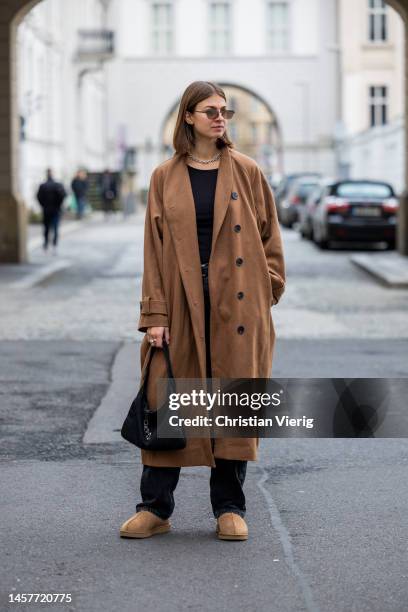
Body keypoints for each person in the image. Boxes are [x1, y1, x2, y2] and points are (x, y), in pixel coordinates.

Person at [119, 81, 286, 541]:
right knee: (168, 398)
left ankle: (229, 508)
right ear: (188, 117)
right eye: (210, 110)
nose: (220, 118)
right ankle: (155, 507)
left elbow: (271, 237)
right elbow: (153, 250)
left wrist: (267, 288)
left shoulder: (247, 171)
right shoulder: (163, 176)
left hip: (237, 307)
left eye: (225, 112)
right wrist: (155, 315)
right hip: (180, 302)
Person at [36, 168, 66, 252]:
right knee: (55, 228)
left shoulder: (43, 186)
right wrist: (59, 205)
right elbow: (63, 195)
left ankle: (46, 243)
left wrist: (43, 205)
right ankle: (54, 244)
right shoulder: (57, 185)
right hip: (55, 210)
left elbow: (38, 197)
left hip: (46, 209)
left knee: (46, 228)